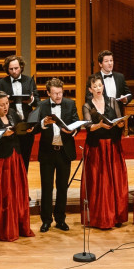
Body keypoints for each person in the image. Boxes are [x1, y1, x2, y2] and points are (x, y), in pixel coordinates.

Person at [0, 91, 34, 241]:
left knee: (17, 192)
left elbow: (19, 129)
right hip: (0, 161)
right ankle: (2, 228)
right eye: (2, 105)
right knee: (1, 194)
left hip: (15, 157)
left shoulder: (12, 113)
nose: (5, 107)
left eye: (7, 103)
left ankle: (18, 225)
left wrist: (27, 130)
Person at [80, 74, 129, 229]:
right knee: (98, 182)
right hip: (97, 148)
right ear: (90, 89)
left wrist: (120, 124)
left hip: (112, 146)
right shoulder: (87, 105)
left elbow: (119, 121)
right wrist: (100, 125)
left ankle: (116, 215)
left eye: (100, 85)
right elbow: (89, 127)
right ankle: (99, 217)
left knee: (115, 180)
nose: (98, 89)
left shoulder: (112, 101)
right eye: (95, 86)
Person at [37, 78, 81, 232]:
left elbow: (76, 122)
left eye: (60, 93)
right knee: (47, 187)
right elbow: (35, 126)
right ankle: (46, 220)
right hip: (47, 152)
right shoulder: (42, 105)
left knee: (62, 187)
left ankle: (60, 219)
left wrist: (73, 130)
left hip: (64, 152)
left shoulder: (70, 103)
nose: (58, 96)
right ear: (48, 93)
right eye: (54, 93)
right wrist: (43, 123)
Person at [0, 55, 39, 172]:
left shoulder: (29, 80)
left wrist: (31, 100)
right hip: (11, 125)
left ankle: (23, 187)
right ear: (7, 69)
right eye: (11, 69)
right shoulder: (1, 83)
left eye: (16, 68)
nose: (14, 71)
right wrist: (5, 101)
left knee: (25, 159)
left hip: (26, 125)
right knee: (11, 160)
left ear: (21, 67)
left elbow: (38, 102)